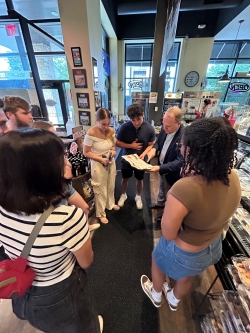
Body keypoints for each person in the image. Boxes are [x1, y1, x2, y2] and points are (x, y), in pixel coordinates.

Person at [0, 128, 103, 333]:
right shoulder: (66, 217)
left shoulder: (3, 208)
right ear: (42, 170)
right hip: (61, 291)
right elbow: (86, 261)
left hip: (24, 290)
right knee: (82, 326)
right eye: (60, 159)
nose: (66, 163)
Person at [141, 117, 241, 311]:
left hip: (186, 252)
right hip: (213, 247)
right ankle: (173, 300)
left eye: (183, 144)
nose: (180, 147)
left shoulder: (186, 188)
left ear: (194, 150)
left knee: (157, 259)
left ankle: (156, 294)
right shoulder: (232, 176)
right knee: (187, 276)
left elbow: (169, 234)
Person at [32, 120, 100, 231]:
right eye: (52, 135)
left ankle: (86, 227)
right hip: (54, 192)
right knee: (63, 222)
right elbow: (66, 174)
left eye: (55, 135)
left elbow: (68, 171)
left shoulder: (55, 152)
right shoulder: (36, 159)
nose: (56, 139)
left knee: (85, 207)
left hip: (65, 186)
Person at [83, 108, 120, 224]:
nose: (106, 127)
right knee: (99, 188)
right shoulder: (91, 133)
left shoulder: (111, 131)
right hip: (97, 162)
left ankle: (110, 203)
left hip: (110, 161)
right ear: (96, 120)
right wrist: (100, 159)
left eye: (108, 124)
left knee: (111, 184)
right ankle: (101, 213)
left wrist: (113, 151)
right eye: (103, 124)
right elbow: (86, 152)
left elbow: (113, 146)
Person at [116, 104, 156, 209]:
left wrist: (144, 154)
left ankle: (138, 196)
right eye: (133, 120)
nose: (136, 123)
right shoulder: (124, 127)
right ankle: (123, 195)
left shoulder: (149, 128)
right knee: (125, 178)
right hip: (127, 158)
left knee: (140, 179)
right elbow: (118, 143)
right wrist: (130, 145)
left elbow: (151, 144)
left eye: (138, 119)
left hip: (141, 159)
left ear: (143, 114)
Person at [147, 108, 184, 222]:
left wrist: (160, 168)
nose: (164, 128)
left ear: (178, 123)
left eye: (168, 126)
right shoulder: (165, 128)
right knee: (162, 187)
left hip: (174, 173)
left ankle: (165, 216)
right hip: (162, 165)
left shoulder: (184, 136)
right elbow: (158, 142)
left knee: (171, 196)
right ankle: (159, 203)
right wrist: (153, 150)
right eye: (163, 124)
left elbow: (181, 160)